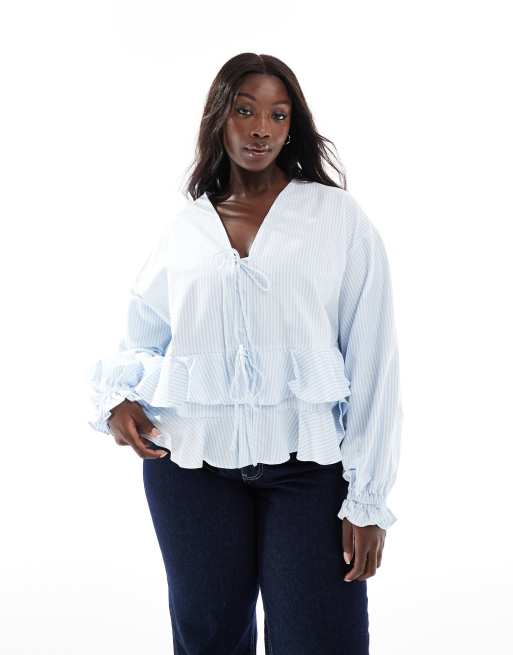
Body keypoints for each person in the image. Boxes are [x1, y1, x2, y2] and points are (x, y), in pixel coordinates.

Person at [88, 52, 403, 655]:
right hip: (190, 471)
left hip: (310, 471)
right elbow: (144, 338)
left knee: (322, 639)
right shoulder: (186, 228)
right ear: (219, 118)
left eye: (278, 115)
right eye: (245, 111)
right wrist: (120, 400)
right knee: (208, 641)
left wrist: (368, 500)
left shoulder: (337, 219)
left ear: (292, 125)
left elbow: (374, 362)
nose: (261, 129)